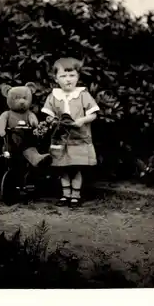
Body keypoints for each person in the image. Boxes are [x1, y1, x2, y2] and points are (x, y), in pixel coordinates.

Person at [41, 57, 99, 207]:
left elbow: (93, 114)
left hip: (79, 138)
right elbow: (49, 114)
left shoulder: (83, 95)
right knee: (63, 167)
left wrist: (82, 120)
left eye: (72, 75)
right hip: (61, 140)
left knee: (76, 167)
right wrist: (51, 121)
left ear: (78, 76)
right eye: (63, 76)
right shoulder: (53, 96)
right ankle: (65, 195)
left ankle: (76, 195)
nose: (68, 80)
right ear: (56, 78)